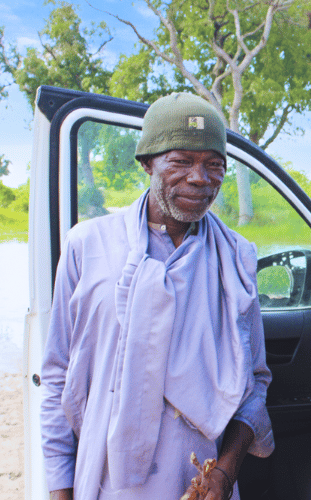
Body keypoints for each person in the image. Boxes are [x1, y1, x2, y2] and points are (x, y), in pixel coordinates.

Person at [40, 93, 274, 500]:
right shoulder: (88, 246)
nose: (200, 178)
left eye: (214, 164)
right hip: (105, 482)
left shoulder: (236, 258)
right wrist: (61, 490)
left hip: (198, 481)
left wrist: (224, 472)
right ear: (147, 162)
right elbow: (58, 375)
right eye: (181, 161)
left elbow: (254, 382)